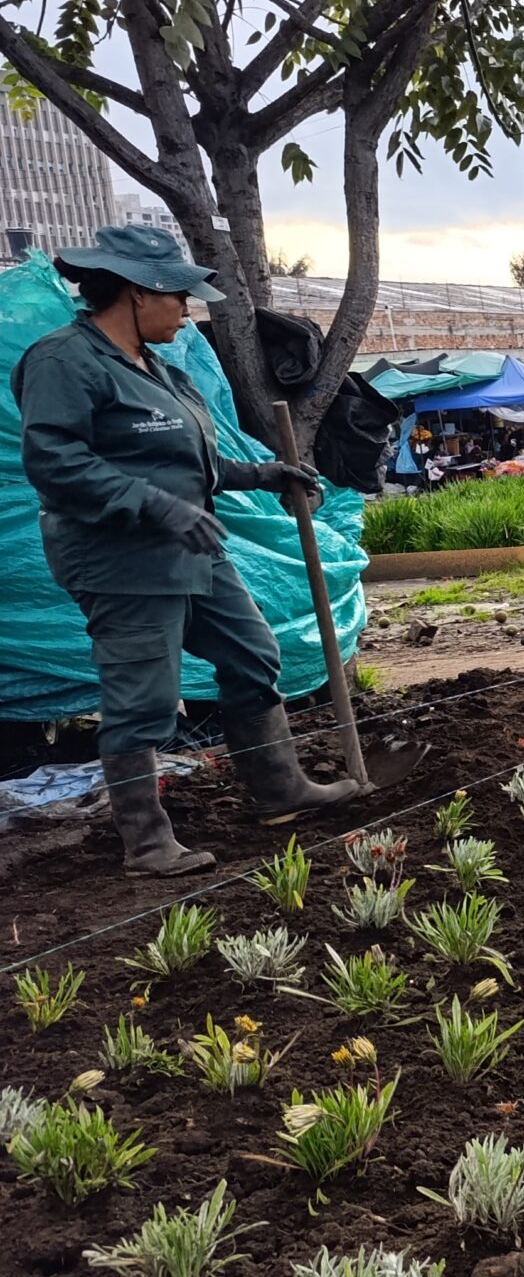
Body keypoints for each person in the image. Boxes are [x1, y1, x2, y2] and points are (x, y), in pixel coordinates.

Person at [13, 225, 361, 875]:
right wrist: (157, 506)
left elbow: (190, 461)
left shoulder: (165, 372)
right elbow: (55, 463)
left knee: (253, 654)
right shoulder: (64, 362)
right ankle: (147, 842)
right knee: (142, 694)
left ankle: (279, 789)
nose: (187, 309)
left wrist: (260, 475)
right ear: (138, 294)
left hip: (190, 544)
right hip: (120, 558)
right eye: (178, 297)